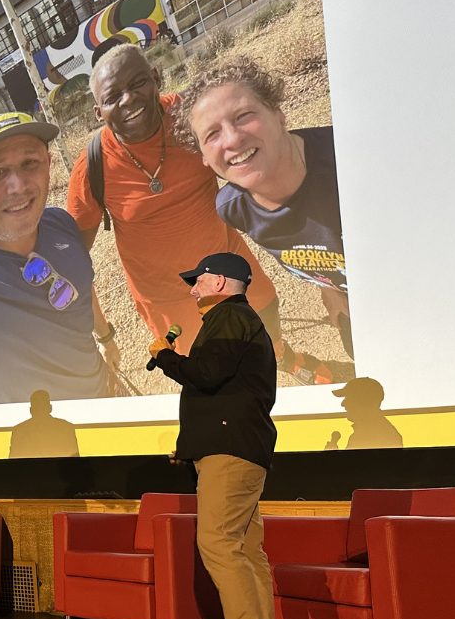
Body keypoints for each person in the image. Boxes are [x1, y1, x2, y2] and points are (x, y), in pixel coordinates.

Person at [66, 43, 281, 358]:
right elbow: (74, 261)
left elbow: (255, 162)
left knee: (266, 331)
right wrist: (103, 335)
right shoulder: (92, 166)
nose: (129, 99)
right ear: (99, 112)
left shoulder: (193, 118)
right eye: (112, 97)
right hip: (168, 302)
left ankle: (283, 361)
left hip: (230, 269)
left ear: (156, 77)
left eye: (138, 82)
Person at [148, 253, 279, 619]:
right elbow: (225, 388)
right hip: (236, 448)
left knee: (220, 545)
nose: (193, 289)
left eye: (198, 280)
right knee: (246, 551)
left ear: (221, 281)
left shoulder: (230, 317)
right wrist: (190, 446)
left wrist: (165, 356)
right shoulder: (238, 319)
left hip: (232, 451)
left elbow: (205, 374)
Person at [174, 56, 353, 363]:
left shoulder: (348, 160)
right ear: (203, 156)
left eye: (243, 116)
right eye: (212, 134)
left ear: (278, 113)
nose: (232, 138)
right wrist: (333, 288)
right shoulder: (235, 209)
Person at [0, 112, 121, 405]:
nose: (18, 185)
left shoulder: (60, 223)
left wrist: (105, 338)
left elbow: (81, 284)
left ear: (49, 165)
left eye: (30, 163)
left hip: (103, 391)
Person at [332, 377, 403, 449]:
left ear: (362, 402)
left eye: (348, 398)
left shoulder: (372, 435)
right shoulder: (369, 431)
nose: (343, 404)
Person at [8, 390, 80, 458]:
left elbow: (13, 462)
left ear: (31, 410)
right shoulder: (66, 427)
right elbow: (75, 461)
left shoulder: (19, 431)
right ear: (50, 408)